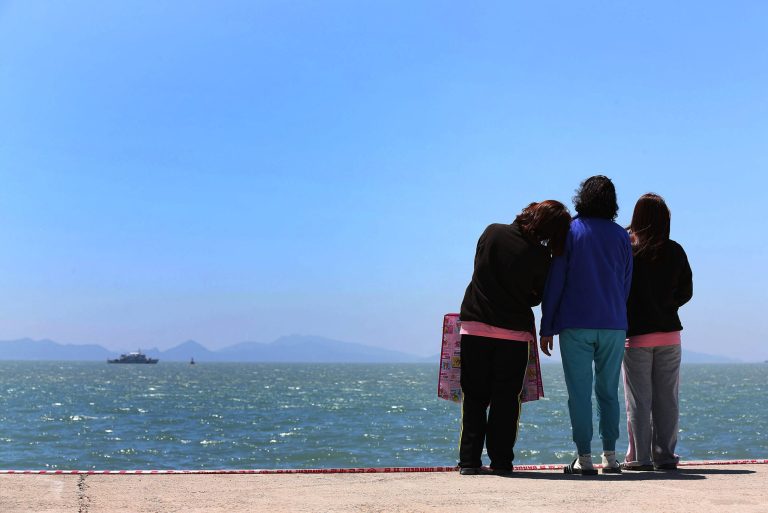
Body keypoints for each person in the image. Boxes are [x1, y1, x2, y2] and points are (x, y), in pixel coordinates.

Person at [458, 200, 571, 476]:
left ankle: (470, 461)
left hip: (475, 326)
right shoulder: (542, 257)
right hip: (514, 334)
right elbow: (538, 295)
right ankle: (501, 461)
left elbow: (478, 268)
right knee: (506, 400)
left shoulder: (492, 232)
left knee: (474, 396)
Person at [539, 175, 633, 475]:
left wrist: (547, 325)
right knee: (608, 391)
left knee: (579, 393)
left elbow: (556, 281)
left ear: (582, 197)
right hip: (613, 323)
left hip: (575, 324)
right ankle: (610, 456)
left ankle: (584, 458)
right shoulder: (621, 236)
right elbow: (626, 283)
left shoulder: (571, 232)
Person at [621, 193, 693, 471]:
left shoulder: (629, 250)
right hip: (669, 335)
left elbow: (620, 289)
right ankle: (664, 456)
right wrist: (667, 305)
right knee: (667, 400)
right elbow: (686, 292)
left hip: (636, 337)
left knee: (639, 400)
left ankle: (639, 458)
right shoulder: (675, 250)